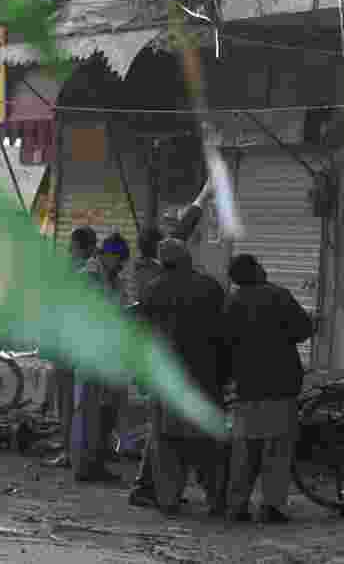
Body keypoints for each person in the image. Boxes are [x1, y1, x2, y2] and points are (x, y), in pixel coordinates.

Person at [128, 180, 215, 509]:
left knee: (162, 431)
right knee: (169, 433)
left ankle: (153, 487)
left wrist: (203, 196)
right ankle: (154, 487)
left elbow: (182, 230)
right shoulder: (155, 279)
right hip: (173, 367)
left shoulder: (154, 275)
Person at [140, 238, 229, 517]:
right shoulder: (210, 287)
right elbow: (224, 333)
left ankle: (168, 499)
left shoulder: (153, 289)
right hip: (206, 378)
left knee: (166, 443)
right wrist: (225, 373)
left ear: (163, 263)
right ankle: (216, 499)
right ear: (188, 259)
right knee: (208, 442)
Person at [222, 254, 314, 524]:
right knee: (277, 450)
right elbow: (303, 330)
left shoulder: (231, 302)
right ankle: (271, 506)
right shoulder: (279, 296)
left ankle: (237, 505)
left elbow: (224, 342)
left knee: (245, 450)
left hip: (247, 385)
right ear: (255, 270)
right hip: (281, 384)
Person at [70, 232, 133, 483]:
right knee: (87, 411)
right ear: (107, 255)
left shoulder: (112, 279)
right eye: (119, 260)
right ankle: (84, 467)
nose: (121, 266)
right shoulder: (89, 276)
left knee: (102, 412)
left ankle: (95, 463)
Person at [43, 225, 101, 469]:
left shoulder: (88, 271)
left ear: (82, 248)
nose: (69, 250)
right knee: (67, 401)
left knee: (69, 402)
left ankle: (70, 451)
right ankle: (69, 448)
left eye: (72, 246)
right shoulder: (83, 270)